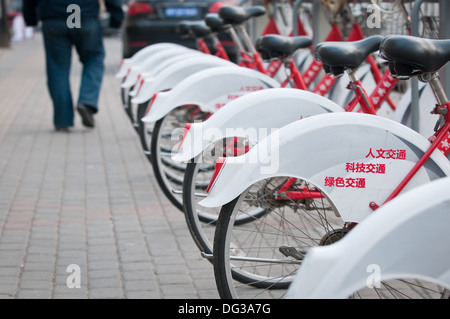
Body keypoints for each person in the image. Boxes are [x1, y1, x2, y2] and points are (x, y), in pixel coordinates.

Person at [23, 0, 124, 131]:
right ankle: (87, 101)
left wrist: (30, 17)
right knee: (94, 59)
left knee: (57, 68)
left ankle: (63, 120)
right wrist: (116, 16)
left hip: (55, 17)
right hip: (84, 15)